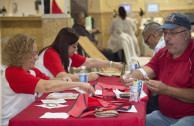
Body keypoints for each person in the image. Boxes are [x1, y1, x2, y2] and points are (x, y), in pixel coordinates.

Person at [1, 34, 95, 126]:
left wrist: (64, 81)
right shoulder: (13, 73)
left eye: (36, 53)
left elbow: (51, 80)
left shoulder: (31, 70)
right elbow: (46, 87)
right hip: (11, 122)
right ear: (20, 55)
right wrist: (79, 84)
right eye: (32, 54)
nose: (37, 57)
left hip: (23, 117)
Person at [123, 13, 194, 126]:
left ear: (186, 34)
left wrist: (166, 90)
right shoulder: (163, 53)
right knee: (133, 123)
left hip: (189, 116)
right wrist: (132, 76)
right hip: (164, 115)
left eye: (172, 33)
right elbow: (147, 69)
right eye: (165, 33)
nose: (166, 38)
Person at [35, 27, 123, 82]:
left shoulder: (66, 53)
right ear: (65, 45)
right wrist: (85, 77)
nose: (76, 49)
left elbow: (90, 62)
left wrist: (113, 64)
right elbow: (63, 77)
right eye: (74, 46)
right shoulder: (51, 54)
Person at [142, 22, 166, 114]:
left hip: (167, 93)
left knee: (144, 104)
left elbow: (154, 73)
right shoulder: (162, 44)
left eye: (146, 42)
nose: (147, 45)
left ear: (154, 35)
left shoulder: (161, 47)